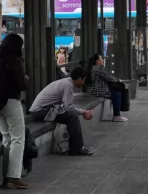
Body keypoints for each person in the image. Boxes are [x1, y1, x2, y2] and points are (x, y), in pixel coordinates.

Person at [29, 67, 94, 156]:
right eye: (83, 80)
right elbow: (69, 107)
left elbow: (68, 105)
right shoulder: (68, 85)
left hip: (43, 110)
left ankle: (75, 147)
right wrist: (83, 112)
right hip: (40, 112)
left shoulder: (66, 82)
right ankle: (77, 149)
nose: (83, 83)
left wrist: (82, 111)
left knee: (71, 114)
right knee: (72, 116)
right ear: (79, 79)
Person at [0, 34, 28, 189]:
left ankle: (4, 174)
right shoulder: (15, 61)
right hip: (11, 101)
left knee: (6, 138)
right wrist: (26, 80)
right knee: (18, 138)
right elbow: (22, 84)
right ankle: (14, 175)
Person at [86, 54, 128, 122]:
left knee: (116, 92)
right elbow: (108, 77)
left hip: (95, 90)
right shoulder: (97, 69)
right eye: (101, 59)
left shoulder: (94, 68)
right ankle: (116, 116)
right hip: (98, 91)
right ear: (97, 61)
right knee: (116, 94)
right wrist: (119, 80)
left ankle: (117, 114)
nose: (102, 60)